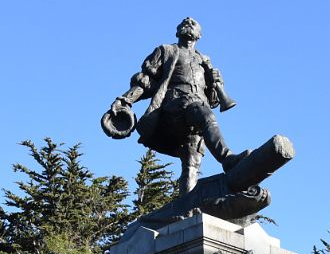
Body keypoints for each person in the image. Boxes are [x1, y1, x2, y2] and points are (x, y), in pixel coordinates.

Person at [104, 17, 245, 193]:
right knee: (207, 115)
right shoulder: (167, 50)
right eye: (185, 23)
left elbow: (213, 101)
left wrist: (216, 83)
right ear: (178, 31)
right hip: (176, 104)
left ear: (199, 35)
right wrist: (125, 100)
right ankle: (227, 158)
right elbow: (145, 82)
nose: (189, 22)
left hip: (198, 110)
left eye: (193, 24)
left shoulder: (204, 60)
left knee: (191, 162)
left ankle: (187, 206)